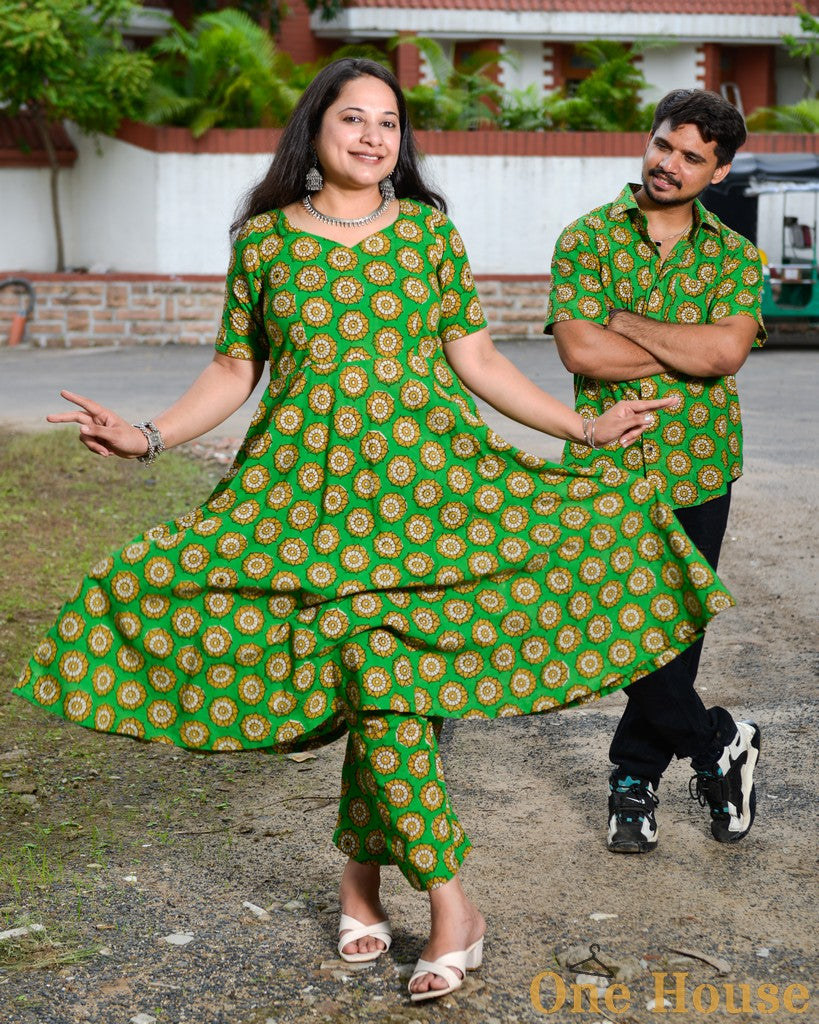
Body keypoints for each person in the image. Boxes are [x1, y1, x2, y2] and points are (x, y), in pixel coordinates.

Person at [16, 61, 733, 1002]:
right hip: (301, 506)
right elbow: (236, 371)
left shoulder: (429, 235)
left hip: (431, 499)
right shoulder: (267, 243)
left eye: (388, 123)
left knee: (386, 680)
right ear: (314, 129)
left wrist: (580, 427)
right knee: (361, 678)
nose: (371, 137)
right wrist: (149, 436)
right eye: (352, 120)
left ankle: (408, 897)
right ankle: (420, 898)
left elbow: (474, 356)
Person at [546, 88, 764, 857]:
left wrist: (628, 324)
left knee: (673, 635)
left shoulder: (735, 256)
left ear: (719, 171)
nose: (669, 165)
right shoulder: (585, 239)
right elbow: (580, 353)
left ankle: (631, 784)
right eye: (663, 146)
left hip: (699, 470)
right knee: (610, 629)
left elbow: (724, 354)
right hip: (605, 468)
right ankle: (718, 744)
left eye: (691, 157)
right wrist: (686, 348)